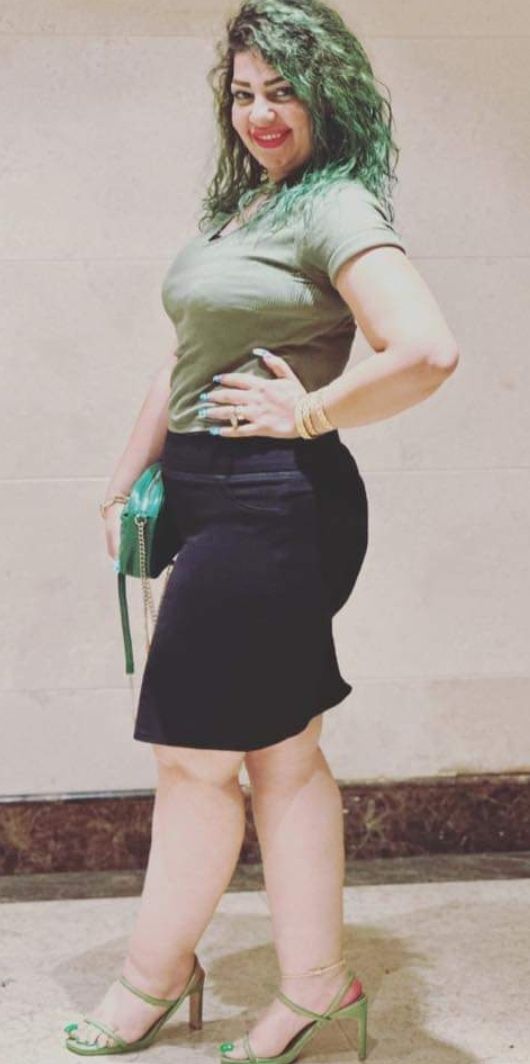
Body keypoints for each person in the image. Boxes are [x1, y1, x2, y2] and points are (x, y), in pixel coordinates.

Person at [63, 0, 459, 1060]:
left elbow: (424, 349)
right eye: (242, 93)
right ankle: (318, 984)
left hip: (272, 497)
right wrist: (125, 480)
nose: (259, 113)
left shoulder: (335, 205)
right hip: (206, 489)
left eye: (282, 90)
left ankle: (153, 976)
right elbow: (181, 359)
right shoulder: (246, 207)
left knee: (195, 757)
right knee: (279, 753)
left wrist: (312, 409)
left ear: (328, 93)